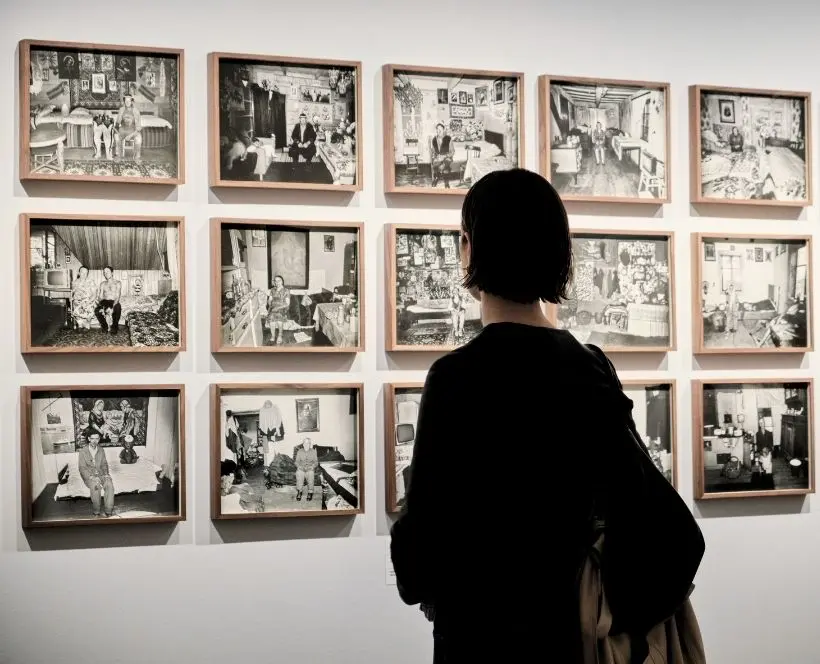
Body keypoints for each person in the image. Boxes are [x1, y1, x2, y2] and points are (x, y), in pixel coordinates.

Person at [389, 168, 701, 661]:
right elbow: (652, 515)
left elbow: (418, 560)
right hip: (573, 639)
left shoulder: (455, 379)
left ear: (468, 247)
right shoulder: (591, 367)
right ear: (558, 251)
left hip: (481, 639)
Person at [78, 431, 115, 518]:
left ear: (99, 439)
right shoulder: (83, 451)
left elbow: (104, 464)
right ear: (89, 439)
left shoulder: (101, 450)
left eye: (97, 438)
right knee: (96, 486)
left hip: (101, 474)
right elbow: (82, 468)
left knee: (109, 484)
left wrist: (106, 474)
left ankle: (108, 510)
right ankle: (96, 511)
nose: (95, 441)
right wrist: (91, 477)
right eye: (92, 438)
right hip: (89, 476)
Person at [94, 266, 122, 334]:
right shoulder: (103, 284)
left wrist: (112, 308)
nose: (106, 273)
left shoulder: (118, 283)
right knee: (97, 310)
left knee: (118, 307)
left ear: (112, 273)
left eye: (107, 272)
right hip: (104, 301)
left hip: (113, 301)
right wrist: (100, 305)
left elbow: (117, 297)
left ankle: (114, 326)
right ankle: (104, 326)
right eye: (104, 272)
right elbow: (100, 297)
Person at [115, 95, 142, 160]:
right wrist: (117, 132)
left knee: (139, 139)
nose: (127, 102)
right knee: (116, 137)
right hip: (123, 130)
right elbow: (117, 123)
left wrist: (130, 136)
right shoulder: (121, 109)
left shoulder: (136, 111)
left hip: (133, 131)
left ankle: (136, 157)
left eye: (129, 101)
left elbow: (138, 127)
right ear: (124, 101)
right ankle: (119, 155)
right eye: (126, 101)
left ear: (132, 101)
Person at [266, 275, 291, 345]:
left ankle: (280, 335)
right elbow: (270, 300)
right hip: (273, 307)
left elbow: (287, 303)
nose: (277, 282)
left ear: (282, 281)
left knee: (279, 319)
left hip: (282, 307)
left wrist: (277, 308)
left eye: (279, 280)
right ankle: (273, 336)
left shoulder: (286, 290)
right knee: (271, 320)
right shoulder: (272, 290)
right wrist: (270, 305)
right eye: (275, 281)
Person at [71, 265, 97, 330]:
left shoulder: (91, 282)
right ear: (79, 273)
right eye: (82, 272)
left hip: (88, 300)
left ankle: (88, 323)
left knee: (88, 307)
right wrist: (72, 298)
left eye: (86, 273)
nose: (84, 274)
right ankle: (80, 323)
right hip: (78, 301)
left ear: (87, 274)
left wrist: (88, 302)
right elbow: (72, 292)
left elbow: (94, 294)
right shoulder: (75, 282)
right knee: (75, 303)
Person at [430, 123, 455, 188]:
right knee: (435, 163)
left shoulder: (448, 138)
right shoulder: (434, 139)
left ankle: (446, 182)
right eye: (437, 129)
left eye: (440, 129)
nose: (439, 131)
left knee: (446, 163)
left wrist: (444, 156)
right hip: (438, 157)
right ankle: (436, 178)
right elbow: (433, 151)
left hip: (447, 157)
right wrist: (436, 156)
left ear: (444, 130)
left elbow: (452, 152)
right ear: (436, 130)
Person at [294, 437, 318, 502]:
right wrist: (299, 467)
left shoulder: (313, 451)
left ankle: (310, 492)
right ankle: (300, 491)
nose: (306, 445)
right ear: (303, 444)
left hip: (310, 468)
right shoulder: (299, 451)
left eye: (308, 443)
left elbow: (316, 462)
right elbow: (296, 462)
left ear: (310, 444)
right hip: (301, 468)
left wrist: (312, 467)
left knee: (311, 473)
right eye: (305, 443)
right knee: (299, 473)